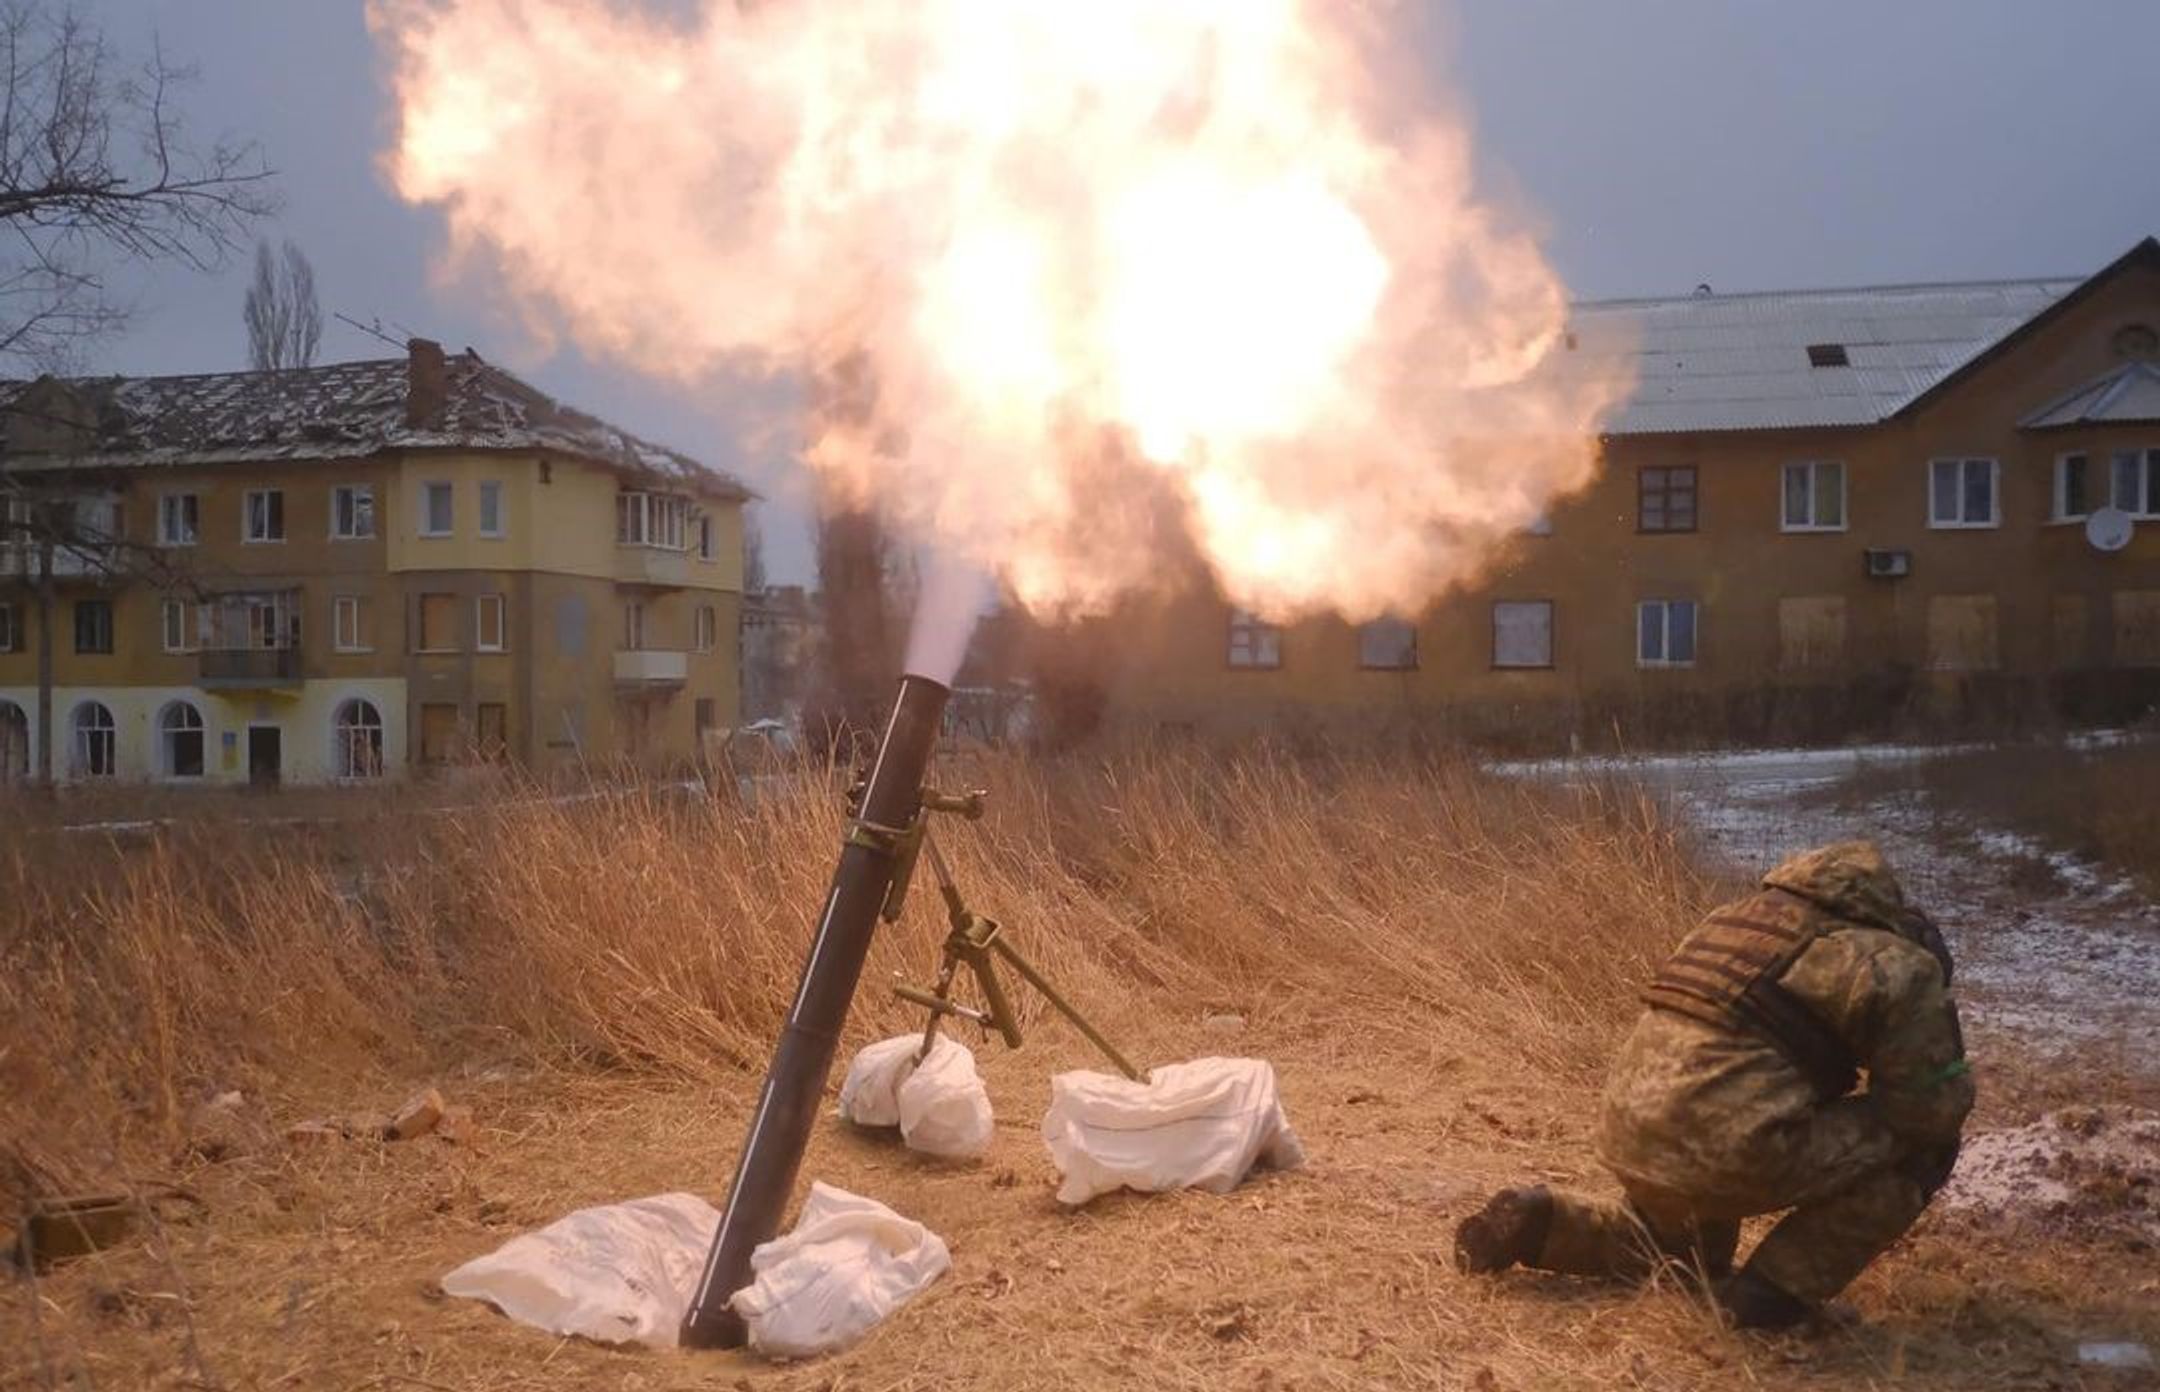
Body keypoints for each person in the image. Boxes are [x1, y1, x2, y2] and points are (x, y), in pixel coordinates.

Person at [1453, 840, 1973, 1329]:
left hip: (1629, 1131)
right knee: (1926, 1146)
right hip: (1730, 1146)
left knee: (1680, 1257)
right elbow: (1930, 1108)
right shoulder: (1893, 962)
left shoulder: (1729, 921)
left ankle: (1546, 1223)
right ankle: (1774, 1297)